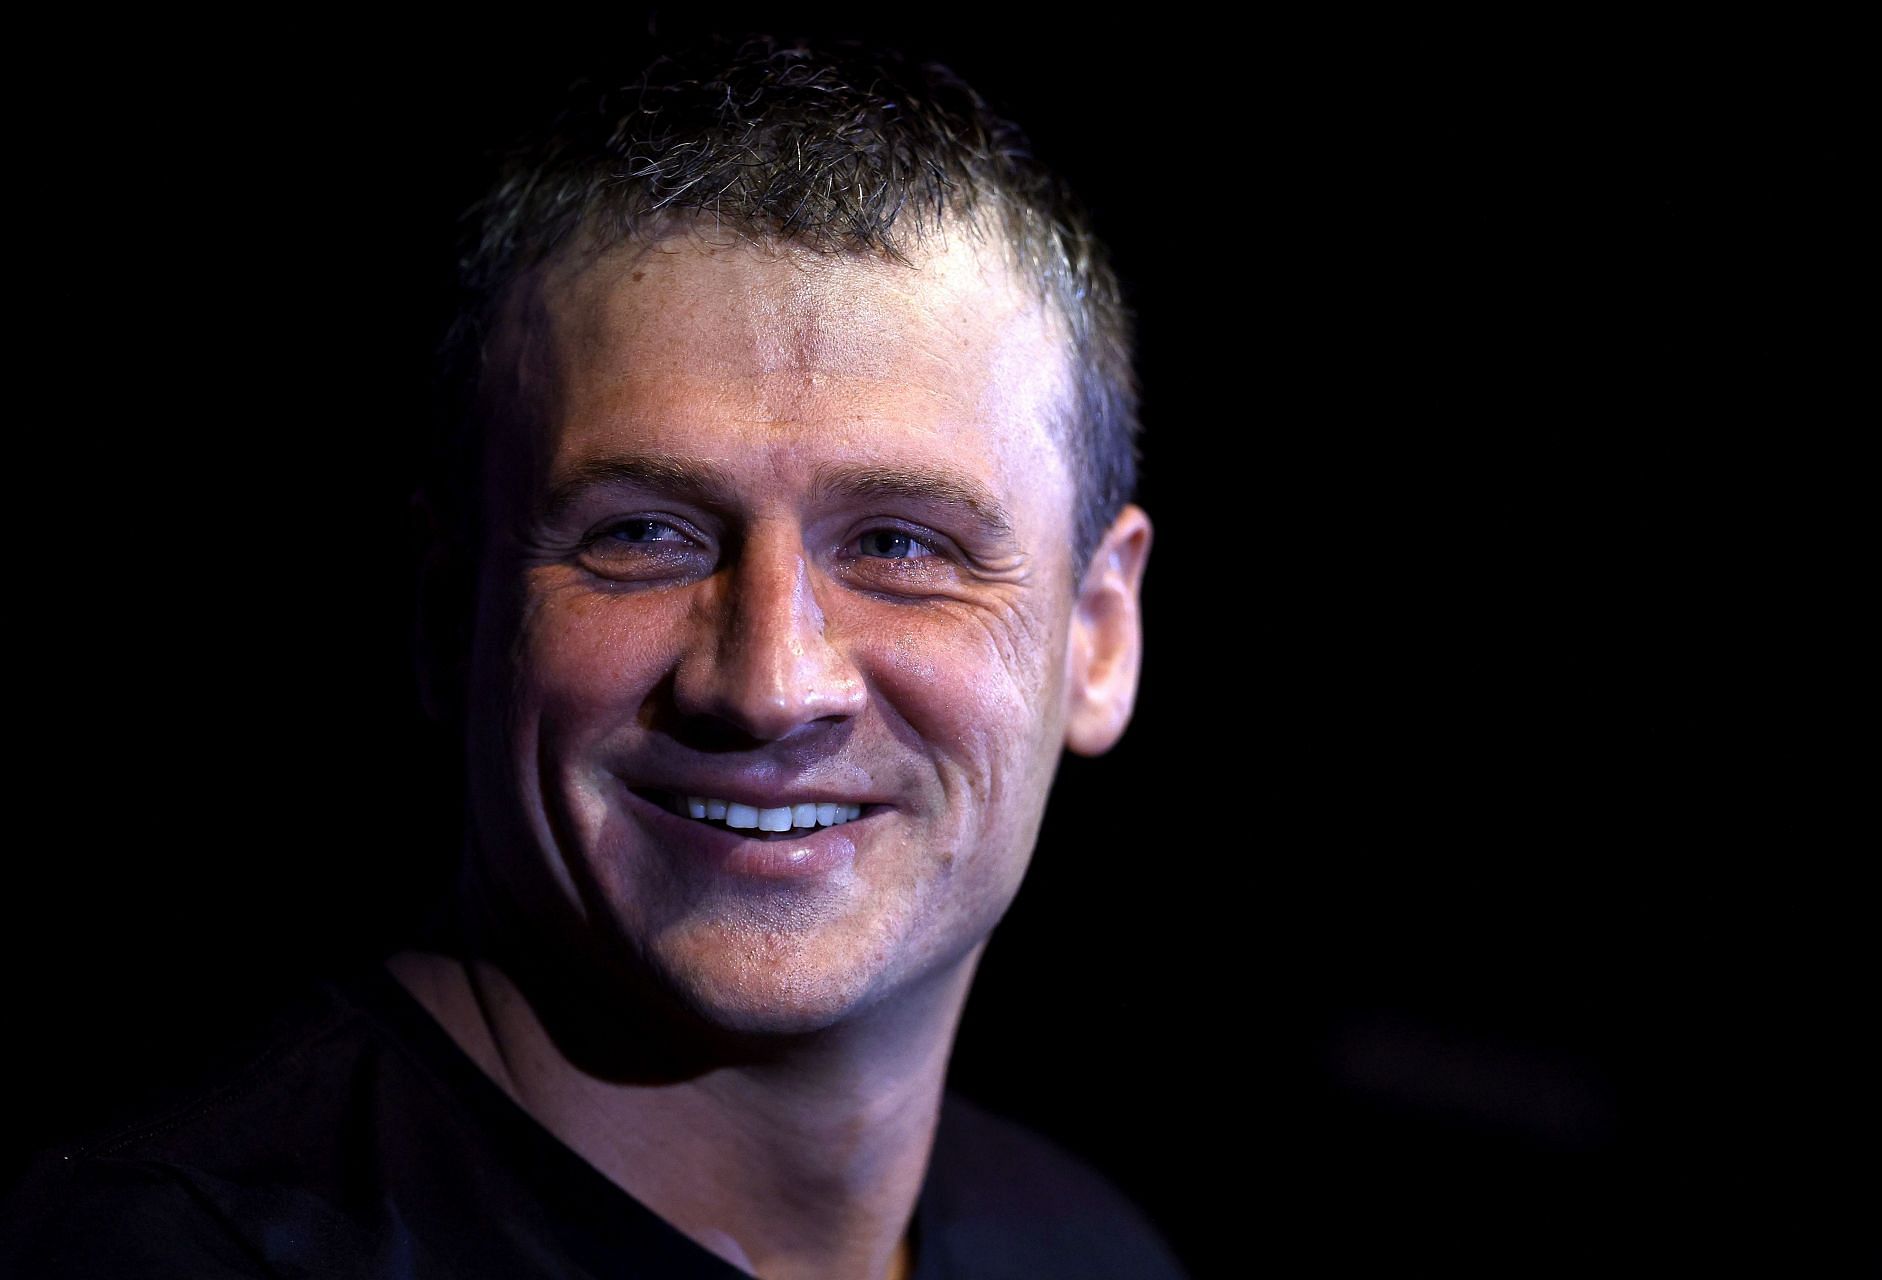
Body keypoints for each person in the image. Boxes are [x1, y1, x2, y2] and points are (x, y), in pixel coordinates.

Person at [3, 33, 1178, 1279]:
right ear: (450, 615)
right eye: (645, 536)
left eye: (899, 543)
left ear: (1098, 635)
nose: (770, 681)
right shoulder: (171, 1252)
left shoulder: (1088, 1248)